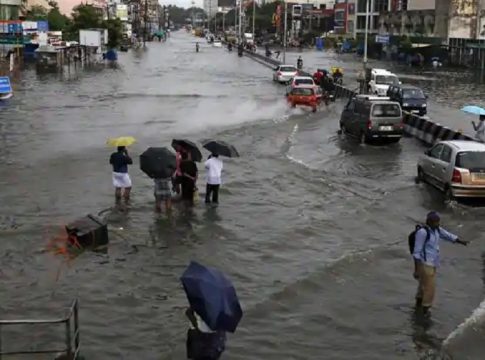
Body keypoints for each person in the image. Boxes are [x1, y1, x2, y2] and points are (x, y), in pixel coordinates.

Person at [413, 212, 468, 315]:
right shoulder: (423, 233)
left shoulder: (436, 229)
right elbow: (416, 253)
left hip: (433, 262)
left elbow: (447, 235)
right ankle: (425, 311)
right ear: (429, 222)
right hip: (425, 264)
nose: (438, 224)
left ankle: (418, 305)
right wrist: (416, 270)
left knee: (423, 285)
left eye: (438, 222)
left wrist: (460, 241)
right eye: (436, 223)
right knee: (430, 289)